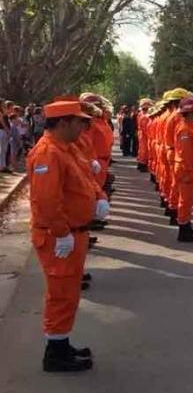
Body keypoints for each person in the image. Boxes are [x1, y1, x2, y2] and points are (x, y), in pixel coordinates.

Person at [27, 98, 109, 372]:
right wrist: (62, 233)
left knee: (68, 293)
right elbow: (47, 201)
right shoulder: (48, 153)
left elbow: (84, 179)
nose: (83, 128)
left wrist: (98, 197)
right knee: (61, 294)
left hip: (73, 232)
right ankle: (55, 353)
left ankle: (61, 344)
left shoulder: (67, 148)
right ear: (63, 123)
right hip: (58, 236)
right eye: (78, 122)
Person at [173, 97, 193, 242]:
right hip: (187, 169)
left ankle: (187, 225)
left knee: (189, 200)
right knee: (185, 200)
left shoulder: (189, 127)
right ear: (191, 112)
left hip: (190, 168)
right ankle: (183, 230)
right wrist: (186, 171)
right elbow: (185, 153)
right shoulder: (185, 129)